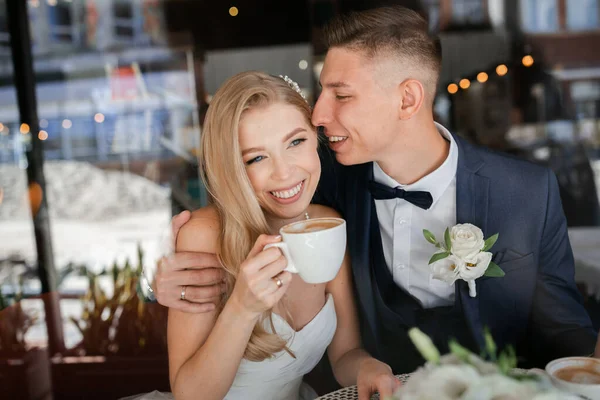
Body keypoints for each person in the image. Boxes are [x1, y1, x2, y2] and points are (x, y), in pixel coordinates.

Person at [149, 6, 597, 376]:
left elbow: (566, 334)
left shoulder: (526, 192)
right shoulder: (314, 181)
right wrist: (159, 287)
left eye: (340, 95)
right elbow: (236, 217)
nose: (318, 115)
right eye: (321, 92)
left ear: (407, 99)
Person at [164, 71, 398, 400]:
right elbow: (191, 395)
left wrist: (368, 367)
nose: (284, 172)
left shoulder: (328, 225)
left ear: (316, 138)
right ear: (230, 167)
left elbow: (345, 353)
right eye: (256, 157)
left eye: (296, 142)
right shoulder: (203, 236)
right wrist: (242, 308)